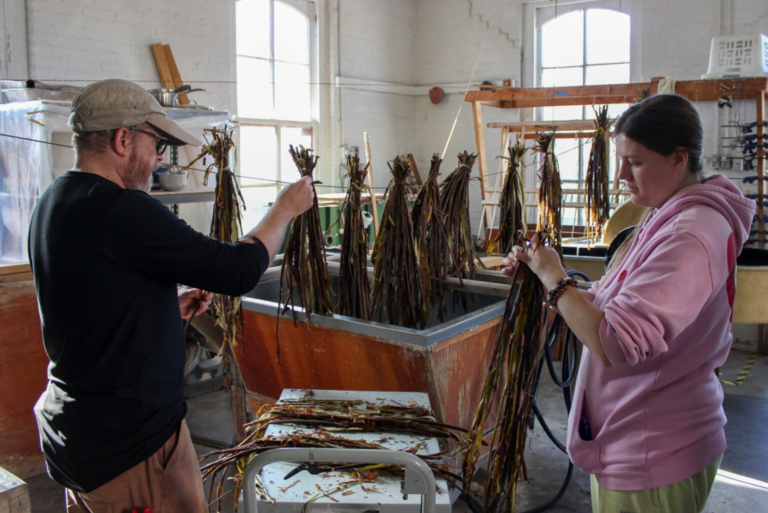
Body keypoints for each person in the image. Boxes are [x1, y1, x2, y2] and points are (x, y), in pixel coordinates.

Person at [28, 79, 315, 512]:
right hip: (130, 446)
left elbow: (89, 305)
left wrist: (162, 309)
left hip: (77, 431)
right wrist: (284, 210)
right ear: (123, 140)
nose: (159, 157)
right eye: (157, 143)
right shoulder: (122, 208)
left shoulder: (55, 199)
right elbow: (236, 270)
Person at [502, 94, 755, 513]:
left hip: (654, 449)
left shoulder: (690, 233)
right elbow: (610, 304)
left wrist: (554, 277)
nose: (621, 174)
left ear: (678, 158)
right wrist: (543, 282)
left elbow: (616, 340)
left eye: (634, 162)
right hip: (632, 437)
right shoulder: (664, 213)